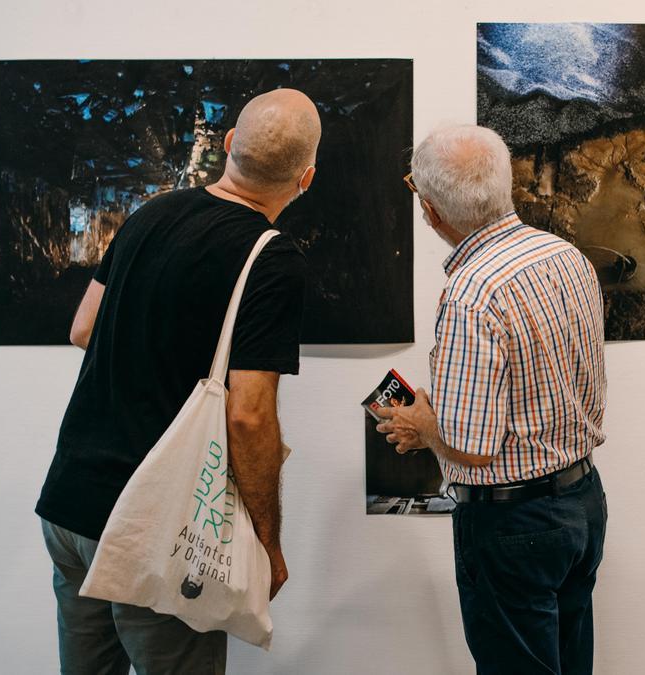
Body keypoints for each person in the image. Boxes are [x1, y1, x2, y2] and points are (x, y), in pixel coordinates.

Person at [35, 88, 321, 675]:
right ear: (306, 178)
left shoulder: (151, 213)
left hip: (69, 504)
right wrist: (268, 542)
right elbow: (248, 414)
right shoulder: (271, 257)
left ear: (232, 145)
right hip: (153, 527)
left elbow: (84, 327)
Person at [377, 125, 609, 675]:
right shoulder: (565, 255)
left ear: (432, 212)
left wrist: (422, 425)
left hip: (515, 524)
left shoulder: (471, 295)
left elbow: (470, 446)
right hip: (582, 500)